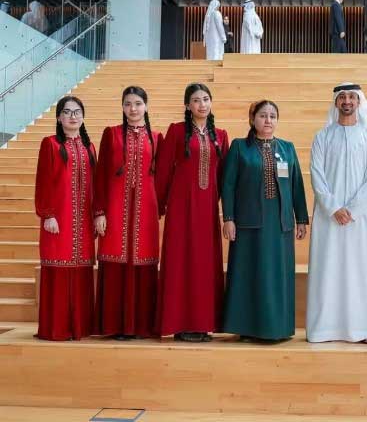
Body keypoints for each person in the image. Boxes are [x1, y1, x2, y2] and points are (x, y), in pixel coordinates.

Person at [222, 100, 309, 342]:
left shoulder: (287, 148)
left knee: (276, 275)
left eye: (272, 116)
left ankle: (278, 328)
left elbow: (297, 185)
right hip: (248, 224)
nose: (268, 120)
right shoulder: (240, 147)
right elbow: (228, 185)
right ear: (253, 119)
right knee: (249, 274)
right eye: (263, 115)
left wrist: (301, 218)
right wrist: (228, 218)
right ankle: (248, 328)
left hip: (280, 224)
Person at [306, 83, 367, 344]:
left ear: (359, 101)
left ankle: (363, 328)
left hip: (360, 217)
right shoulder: (322, 137)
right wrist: (334, 208)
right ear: (336, 102)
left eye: (352, 97)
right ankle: (324, 329)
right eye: (342, 97)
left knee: (361, 270)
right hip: (329, 217)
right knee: (328, 270)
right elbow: (317, 175)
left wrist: (351, 209)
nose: (347, 101)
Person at [155, 83, 229, 342]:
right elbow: (164, 169)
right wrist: (159, 204)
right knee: (180, 263)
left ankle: (203, 323)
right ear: (187, 105)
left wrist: (227, 211)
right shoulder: (176, 131)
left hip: (207, 209)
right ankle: (180, 323)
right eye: (196, 100)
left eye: (206, 99)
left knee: (204, 264)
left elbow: (225, 177)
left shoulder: (221, 135)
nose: (202, 104)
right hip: (180, 208)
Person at [93, 86, 163, 340]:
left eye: (137, 103)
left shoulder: (157, 138)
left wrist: (161, 206)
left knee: (143, 260)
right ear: (122, 107)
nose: (133, 109)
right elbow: (100, 174)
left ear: (146, 106)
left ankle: (142, 326)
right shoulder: (111, 134)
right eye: (127, 104)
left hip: (146, 211)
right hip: (115, 209)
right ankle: (115, 326)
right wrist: (99, 212)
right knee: (116, 259)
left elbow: (162, 177)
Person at [34, 96, 97, 341]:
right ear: (59, 117)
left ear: (83, 116)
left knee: (81, 268)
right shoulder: (50, 144)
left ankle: (80, 328)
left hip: (83, 221)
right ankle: (57, 329)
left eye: (77, 111)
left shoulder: (89, 147)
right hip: (58, 220)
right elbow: (43, 181)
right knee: (59, 269)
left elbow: (95, 186)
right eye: (67, 112)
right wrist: (47, 214)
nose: (73, 116)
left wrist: (96, 214)